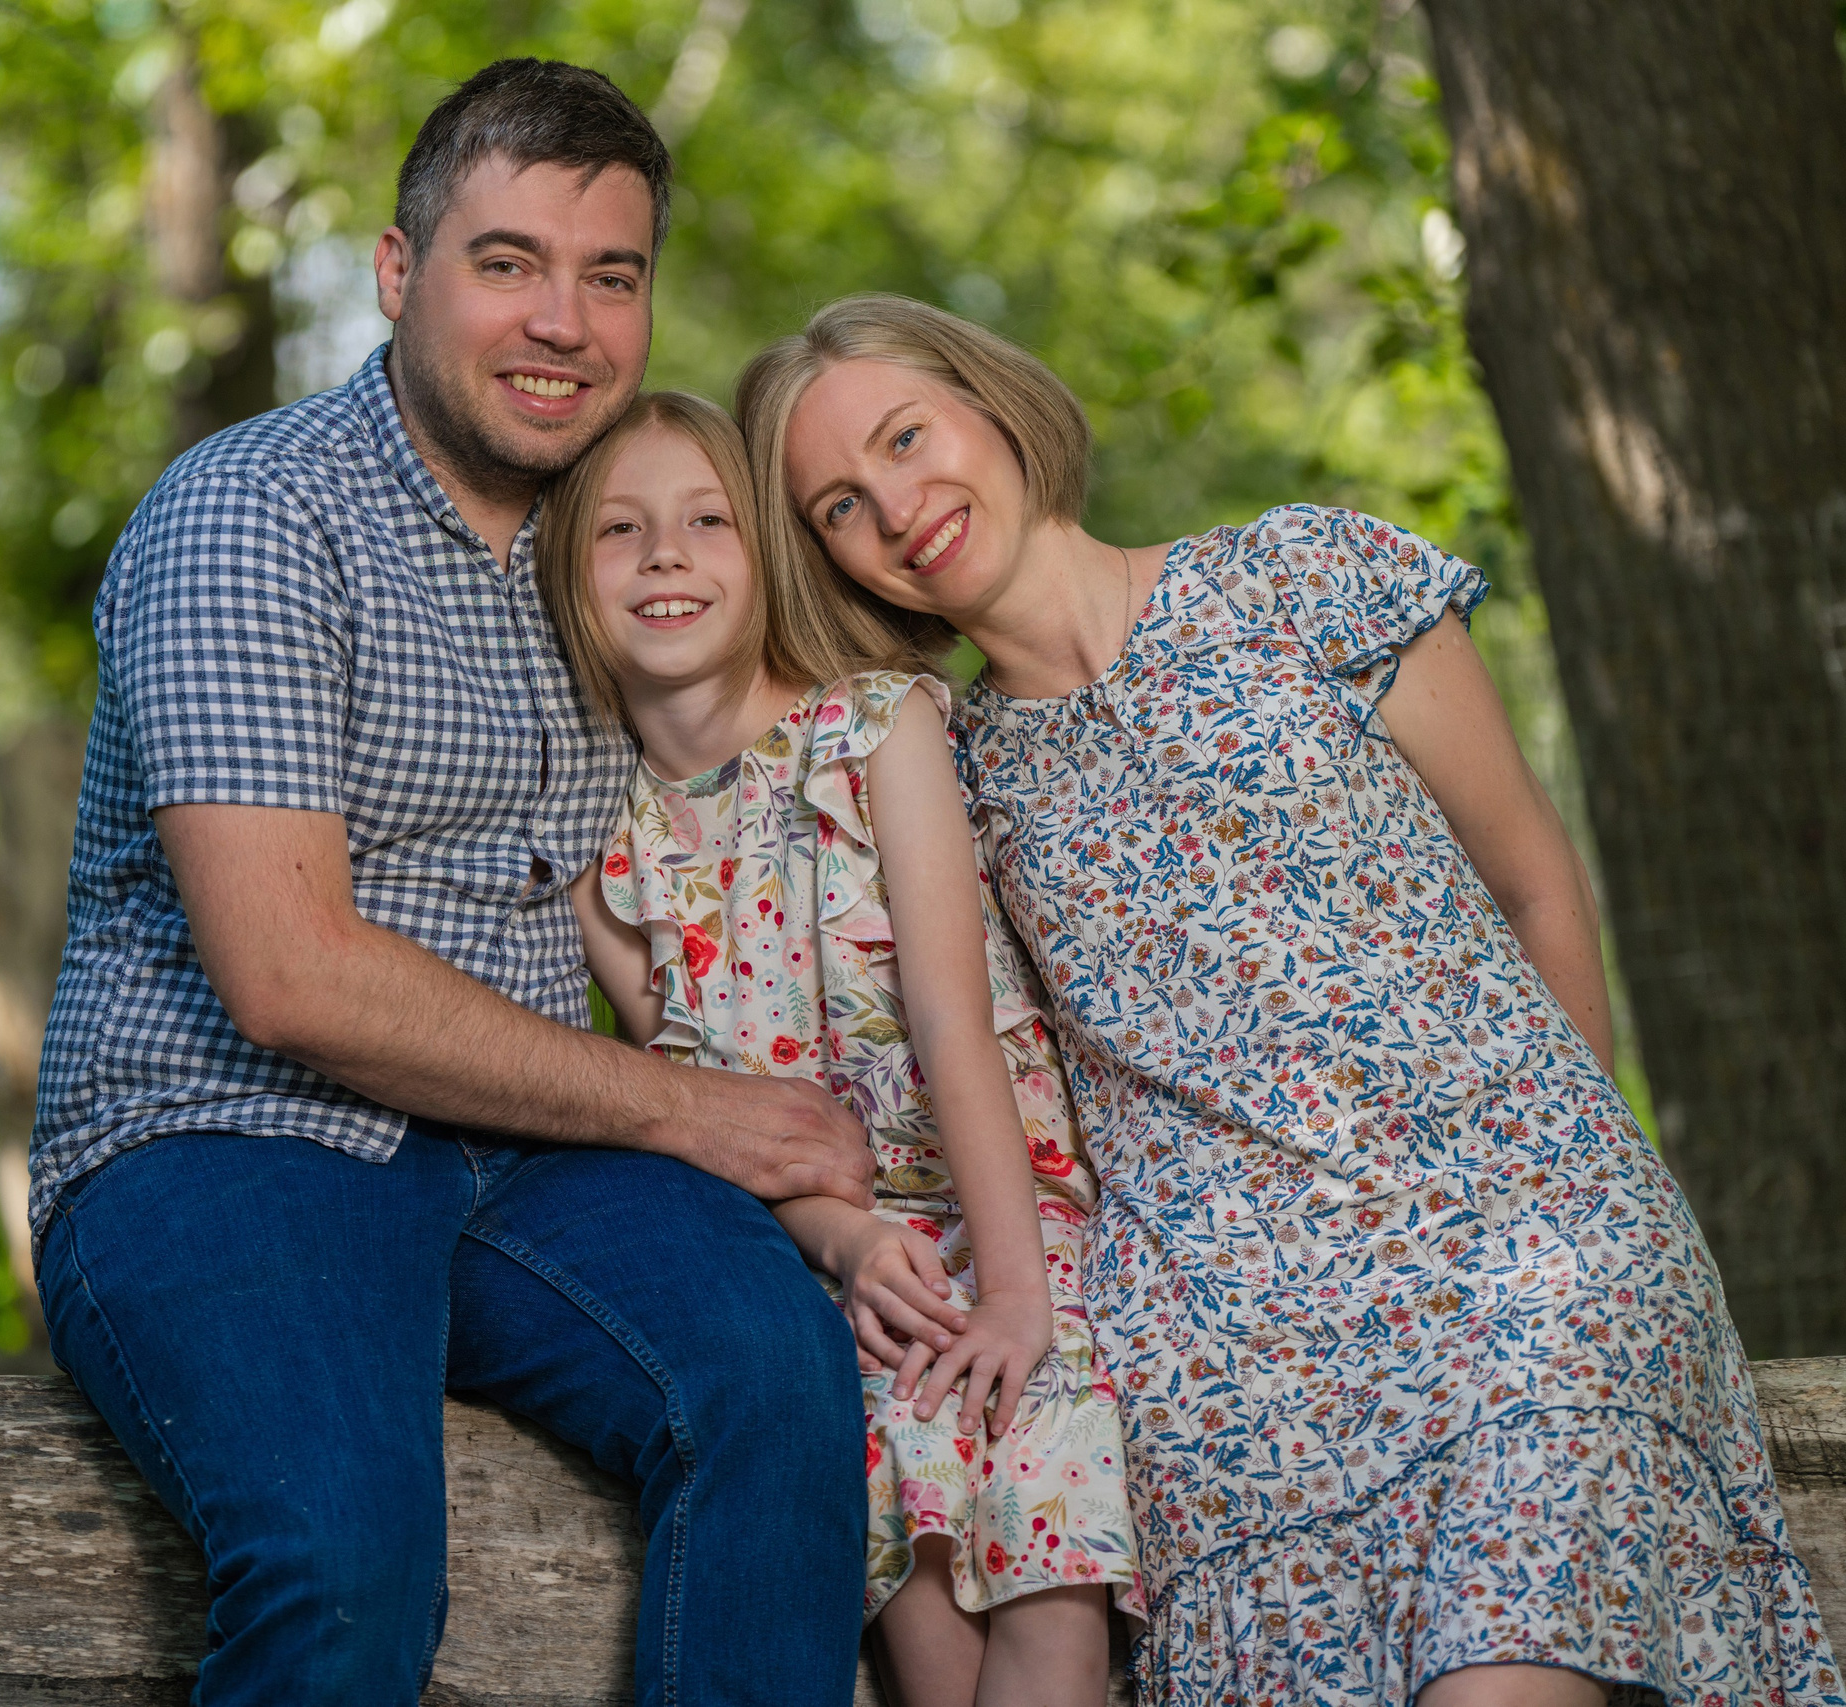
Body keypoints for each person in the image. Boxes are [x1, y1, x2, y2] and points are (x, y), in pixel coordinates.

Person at [739, 293, 1845, 1707]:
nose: (899, 505)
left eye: (907, 435)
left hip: (1526, 1253)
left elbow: (1536, 890)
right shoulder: (934, 772)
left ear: (990, 404)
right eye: (840, 501)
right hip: (1220, 1339)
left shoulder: (1304, 575)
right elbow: (879, 1044)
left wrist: (1579, 1189)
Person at [26, 62, 877, 1707]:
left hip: (523, 1156)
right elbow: (289, 977)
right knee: (346, 1562)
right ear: (398, 274)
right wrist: (689, 1111)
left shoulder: (611, 546)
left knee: (779, 1380)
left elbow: (814, 726)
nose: (564, 321)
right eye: (508, 264)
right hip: (226, 1134)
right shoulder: (253, 518)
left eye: (610, 276)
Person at [536, 390, 1142, 1707]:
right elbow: (704, 1123)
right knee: (925, 1621)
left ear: (763, 555)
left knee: (1050, 1600)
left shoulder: (875, 730)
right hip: (844, 1272)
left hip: (1015, 1221)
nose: (665, 557)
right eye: (619, 533)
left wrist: (1016, 1296)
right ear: (569, 583)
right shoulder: (612, 858)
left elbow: (953, 1020)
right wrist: (852, 1247)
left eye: (707, 522)